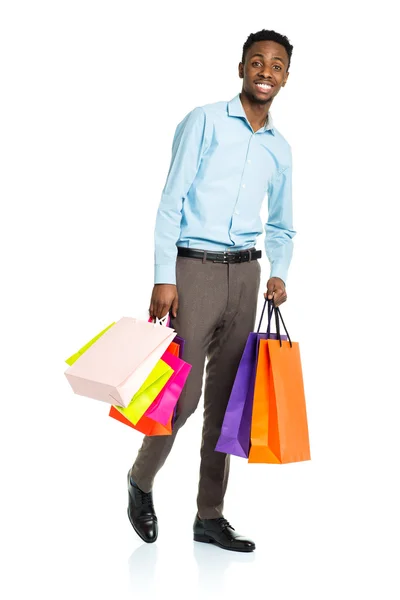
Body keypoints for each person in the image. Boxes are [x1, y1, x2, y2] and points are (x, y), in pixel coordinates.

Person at [127, 28, 296, 552]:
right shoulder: (203, 121)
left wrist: (278, 271)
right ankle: (140, 479)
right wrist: (163, 275)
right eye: (257, 62)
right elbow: (171, 198)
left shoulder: (281, 151)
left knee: (228, 404)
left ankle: (209, 515)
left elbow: (283, 226)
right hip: (193, 270)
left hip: (246, 277)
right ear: (241, 67)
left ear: (287, 77)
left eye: (276, 65)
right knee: (180, 396)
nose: (265, 71)